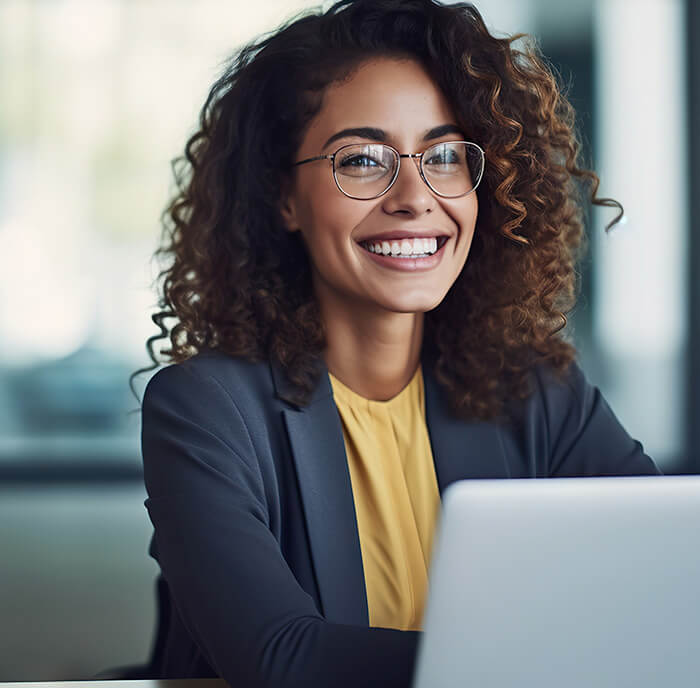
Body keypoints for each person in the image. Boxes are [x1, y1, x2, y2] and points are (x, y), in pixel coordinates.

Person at [134, 1, 660, 686]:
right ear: (283, 199)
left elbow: (663, 584)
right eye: (362, 159)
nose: (415, 195)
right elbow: (280, 660)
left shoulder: (539, 395)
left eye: (444, 155)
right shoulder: (204, 412)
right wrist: (552, 659)